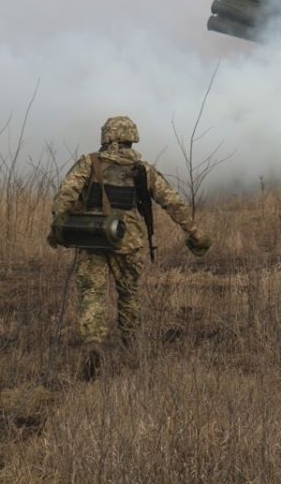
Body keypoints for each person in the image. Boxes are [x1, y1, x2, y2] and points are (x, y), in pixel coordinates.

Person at [46, 115, 212, 379]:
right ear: (131, 137)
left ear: (107, 137)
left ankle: (93, 344)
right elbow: (173, 203)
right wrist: (196, 234)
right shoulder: (143, 170)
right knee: (129, 294)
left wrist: (59, 226)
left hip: (93, 237)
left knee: (92, 292)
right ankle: (130, 344)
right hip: (129, 240)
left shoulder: (90, 163)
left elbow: (65, 195)